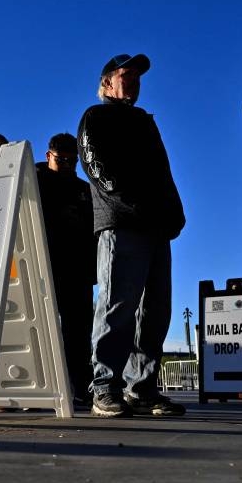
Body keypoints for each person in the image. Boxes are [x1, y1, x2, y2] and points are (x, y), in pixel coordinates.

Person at [77, 54, 186, 418]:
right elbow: (98, 170)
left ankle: (141, 387)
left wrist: (175, 211)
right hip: (121, 226)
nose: (135, 81)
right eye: (127, 75)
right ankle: (105, 386)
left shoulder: (144, 122)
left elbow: (164, 172)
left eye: (139, 76)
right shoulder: (96, 117)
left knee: (156, 310)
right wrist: (134, 208)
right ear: (107, 82)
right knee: (117, 306)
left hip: (157, 228)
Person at [35, 133, 96, 403]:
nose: (68, 165)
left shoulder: (84, 190)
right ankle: (38, 387)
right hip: (40, 266)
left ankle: (79, 388)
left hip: (77, 271)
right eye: (61, 160)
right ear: (49, 156)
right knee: (39, 329)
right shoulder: (32, 182)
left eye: (73, 161)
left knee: (79, 332)